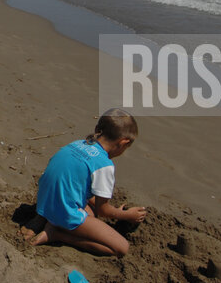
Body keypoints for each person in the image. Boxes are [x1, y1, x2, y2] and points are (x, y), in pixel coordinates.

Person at [21, 108, 147, 256]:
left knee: (90, 213)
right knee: (121, 248)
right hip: (63, 212)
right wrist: (127, 215)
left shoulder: (79, 144)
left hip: (44, 201)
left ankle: (44, 218)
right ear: (123, 142)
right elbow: (103, 211)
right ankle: (57, 234)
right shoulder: (104, 165)